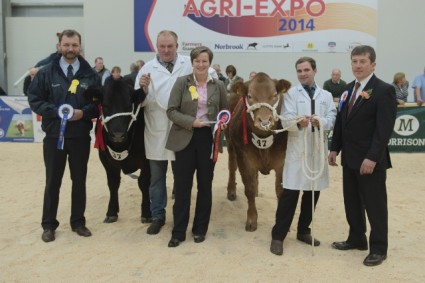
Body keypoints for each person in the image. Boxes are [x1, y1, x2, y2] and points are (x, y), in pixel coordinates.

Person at [27, 29, 100, 243]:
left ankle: (78, 222)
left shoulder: (91, 74)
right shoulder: (45, 73)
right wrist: (54, 112)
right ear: (59, 46)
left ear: (80, 47)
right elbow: (34, 99)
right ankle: (49, 225)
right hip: (53, 137)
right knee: (52, 181)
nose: (70, 49)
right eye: (66, 45)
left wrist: (83, 113)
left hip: (80, 137)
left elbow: (97, 104)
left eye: (74, 45)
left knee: (79, 180)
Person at [328, 45, 397, 266]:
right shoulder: (348, 89)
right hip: (349, 158)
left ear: (373, 64)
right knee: (352, 202)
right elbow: (341, 122)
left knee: (375, 205)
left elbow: (383, 129)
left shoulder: (384, 90)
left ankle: (378, 248)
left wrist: (373, 157)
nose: (357, 65)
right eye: (354, 61)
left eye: (362, 61)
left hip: (370, 161)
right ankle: (357, 238)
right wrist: (334, 147)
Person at [270, 57, 336, 256]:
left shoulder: (326, 95)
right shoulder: (291, 94)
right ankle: (278, 236)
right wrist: (300, 123)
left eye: (306, 70)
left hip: (317, 150)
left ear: (315, 70)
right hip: (298, 152)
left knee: (312, 193)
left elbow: (332, 118)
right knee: (290, 195)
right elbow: (284, 121)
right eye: (299, 71)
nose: (303, 74)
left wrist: (320, 122)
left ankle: (303, 231)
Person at [166, 46, 228, 247]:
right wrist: (190, 122)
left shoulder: (218, 85)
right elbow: (171, 111)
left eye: (204, 61)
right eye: (197, 61)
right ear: (191, 63)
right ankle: (178, 232)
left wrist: (224, 122)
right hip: (184, 136)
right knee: (183, 187)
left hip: (207, 140)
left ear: (209, 63)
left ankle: (200, 229)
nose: (201, 65)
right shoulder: (181, 83)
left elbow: (225, 111)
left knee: (205, 186)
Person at [134, 30, 195, 235]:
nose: (166, 50)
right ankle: (158, 216)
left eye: (170, 46)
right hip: (156, 130)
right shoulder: (146, 69)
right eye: (162, 46)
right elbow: (137, 103)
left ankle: (180, 217)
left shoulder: (189, 64)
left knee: (182, 178)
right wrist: (142, 90)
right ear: (156, 47)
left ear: (177, 45)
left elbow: (208, 82)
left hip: (182, 130)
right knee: (156, 178)